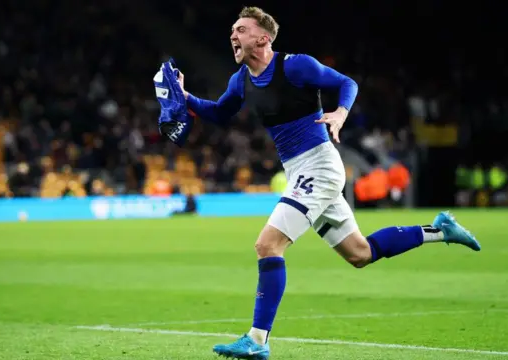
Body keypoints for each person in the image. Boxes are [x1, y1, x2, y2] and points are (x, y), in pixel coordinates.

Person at [178, 7, 481, 359]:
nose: (233, 34)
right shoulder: (240, 80)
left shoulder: (295, 65)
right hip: (299, 171)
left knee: (267, 245)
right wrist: (184, 98)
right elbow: (218, 112)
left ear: (263, 38)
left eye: (241, 29)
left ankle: (257, 340)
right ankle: (441, 230)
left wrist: (340, 112)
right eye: (233, 29)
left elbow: (346, 84)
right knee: (359, 253)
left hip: (319, 165)